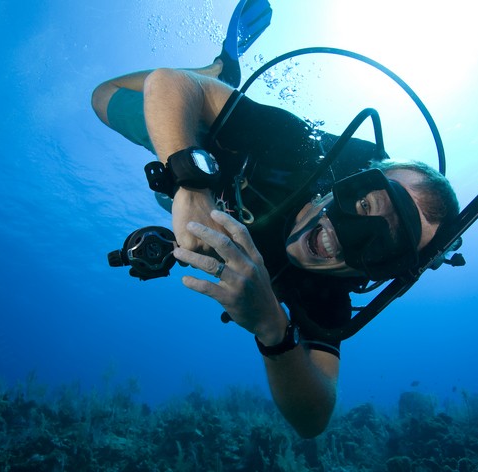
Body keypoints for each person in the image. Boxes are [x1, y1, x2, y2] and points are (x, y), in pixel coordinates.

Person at [92, 0, 459, 438]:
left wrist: (273, 328)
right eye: (365, 204)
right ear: (351, 177)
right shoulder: (290, 145)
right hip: (206, 155)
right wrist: (189, 182)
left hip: (209, 206)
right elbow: (166, 82)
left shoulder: (326, 292)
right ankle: (218, 75)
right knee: (103, 97)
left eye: (385, 246)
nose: (344, 240)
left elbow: (313, 417)